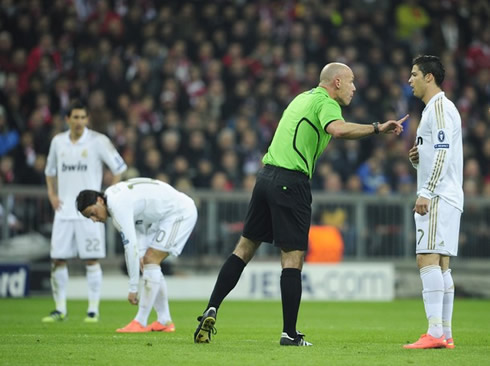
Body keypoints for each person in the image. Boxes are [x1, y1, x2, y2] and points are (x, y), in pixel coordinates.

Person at [193, 62, 407, 346]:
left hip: (265, 176)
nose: (355, 87)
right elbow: (338, 129)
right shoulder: (325, 102)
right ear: (337, 83)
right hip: (290, 182)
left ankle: (212, 307)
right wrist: (378, 128)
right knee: (292, 258)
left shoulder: (302, 98)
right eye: (352, 81)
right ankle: (289, 333)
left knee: (244, 248)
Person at [76, 177, 198, 333]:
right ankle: (164, 320)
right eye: (89, 217)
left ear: (99, 200)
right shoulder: (113, 197)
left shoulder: (117, 205)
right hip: (159, 218)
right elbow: (139, 222)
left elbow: (130, 247)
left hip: (179, 212)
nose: (94, 219)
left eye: (92, 213)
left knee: (151, 260)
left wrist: (133, 287)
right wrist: (140, 256)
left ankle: (140, 321)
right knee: (146, 262)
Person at [43, 100, 127, 323]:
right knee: (58, 260)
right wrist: (52, 195)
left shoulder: (99, 141)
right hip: (63, 211)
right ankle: (60, 309)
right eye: (75, 117)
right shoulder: (58, 142)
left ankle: (93, 310)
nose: (79, 121)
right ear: (67, 119)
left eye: (83, 117)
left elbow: (119, 167)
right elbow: (50, 171)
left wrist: (109, 195)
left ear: (87, 119)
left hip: (89, 213)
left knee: (91, 260)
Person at [404, 55, 463, 349]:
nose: (409, 80)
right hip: (448, 193)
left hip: (439, 195)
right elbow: (436, 153)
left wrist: (425, 190)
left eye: (414, 74)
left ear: (429, 77)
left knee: (426, 259)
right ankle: (446, 334)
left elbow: (442, 153)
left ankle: (435, 332)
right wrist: (418, 161)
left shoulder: (438, 107)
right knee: (441, 265)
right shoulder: (439, 109)